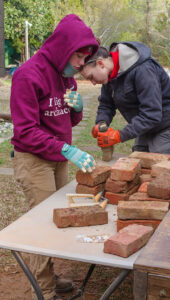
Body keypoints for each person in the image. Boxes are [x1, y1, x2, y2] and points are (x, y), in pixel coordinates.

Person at [10, 14, 98, 300]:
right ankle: (44, 290)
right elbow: (25, 132)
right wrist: (66, 149)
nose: (80, 66)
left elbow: (66, 123)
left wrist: (77, 109)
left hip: (58, 157)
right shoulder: (28, 75)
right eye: (78, 57)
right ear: (63, 47)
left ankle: (50, 275)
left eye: (85, 60)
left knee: (58, 218)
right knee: (42, 223)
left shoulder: (66, 78)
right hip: (34, 158)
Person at [80, 42, 170, 157]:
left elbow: (152, 114)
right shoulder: (110, 75)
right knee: (137, 161)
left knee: (157, 167)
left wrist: (119, 136)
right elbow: (106, 104)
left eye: (91, 77)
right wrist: (101, 123)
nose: (93, 83)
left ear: (100, 64)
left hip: (166, 124)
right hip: (145, 124)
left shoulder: (143, 69)